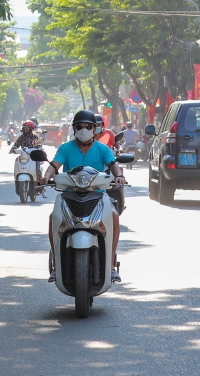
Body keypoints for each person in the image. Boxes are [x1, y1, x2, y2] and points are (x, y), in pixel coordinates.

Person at [42, 110, 126, 283]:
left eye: (88, 126)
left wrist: (120, 176)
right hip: (68, 196)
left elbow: (114, 165)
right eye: (79, 126)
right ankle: (57, 265)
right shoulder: (65, 148)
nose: (83, 129)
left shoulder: (102, 149)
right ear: (73, 128)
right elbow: (53, 165)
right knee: (52, 218)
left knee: (115, 217)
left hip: (98, 196)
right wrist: (46, 176)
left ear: (94, 128)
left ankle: (110, 266)